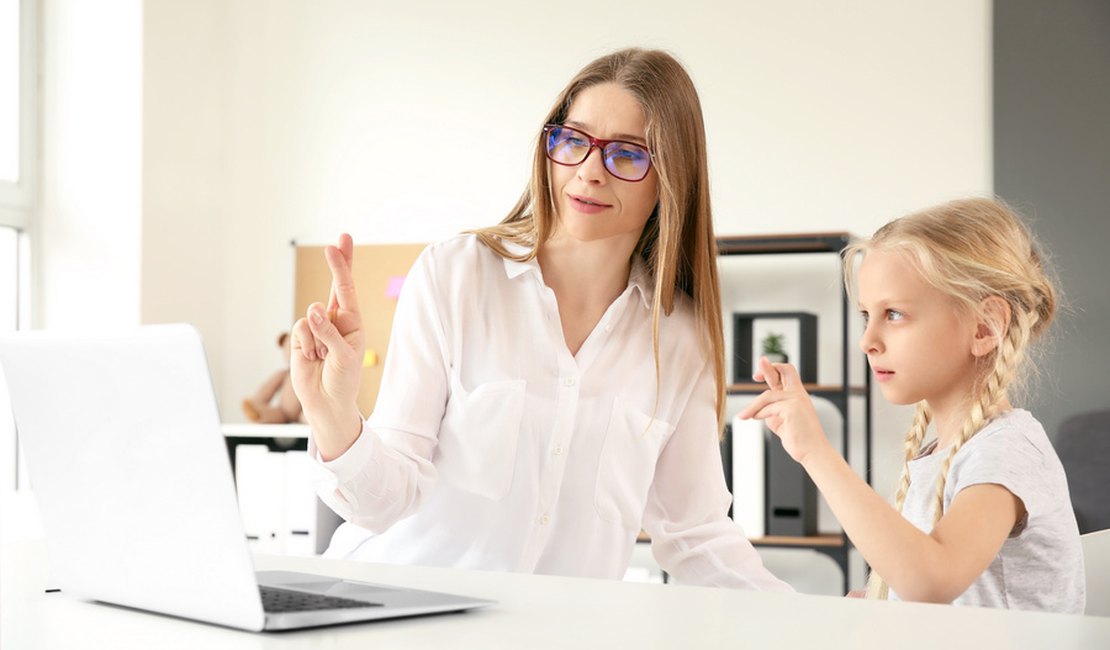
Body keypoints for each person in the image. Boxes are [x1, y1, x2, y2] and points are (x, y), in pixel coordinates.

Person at [289, 48, 790, 590]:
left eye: (627, 154)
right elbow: (384, 504)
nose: (590, 172)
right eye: (574, 141)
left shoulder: (681, 337)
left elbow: (696, 534)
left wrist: (813, 623)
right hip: (389, 610)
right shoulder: (457, 274)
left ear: (671, 179)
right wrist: (332, 414)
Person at [740, 197, 1086, 612]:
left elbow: (931, 580)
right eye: (867, 314)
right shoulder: (946, 452)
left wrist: (815, 451)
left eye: (896, 314)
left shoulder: (1007, 452)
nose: (867, 340)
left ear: (985, 327)